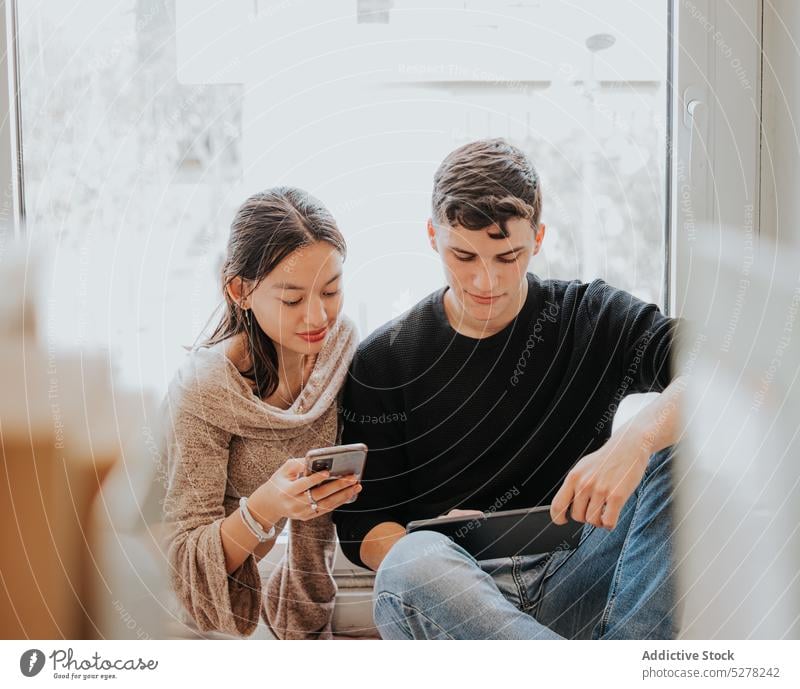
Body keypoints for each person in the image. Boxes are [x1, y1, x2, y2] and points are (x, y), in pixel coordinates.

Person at [333, 138, 684, 640]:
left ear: (538, 238)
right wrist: (440, 542)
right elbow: (363, 527)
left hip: (579, 575)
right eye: (463, 255)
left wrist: (638, 439)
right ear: (433, 236)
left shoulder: (591, 316)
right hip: (460, 602)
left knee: (679, 442)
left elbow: (734, 369)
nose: (485, 280)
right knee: (410, 560)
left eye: (507, 256)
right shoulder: (383, 359)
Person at [160, 187, 361, 639]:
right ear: (240, 291)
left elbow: (318, 526)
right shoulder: (204, 392)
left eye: (331, 290)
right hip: (173, 610)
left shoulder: (338, 352)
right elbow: (182, 562)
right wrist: (267, 507)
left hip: (281, 585)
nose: (318, 317)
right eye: (292, 300)